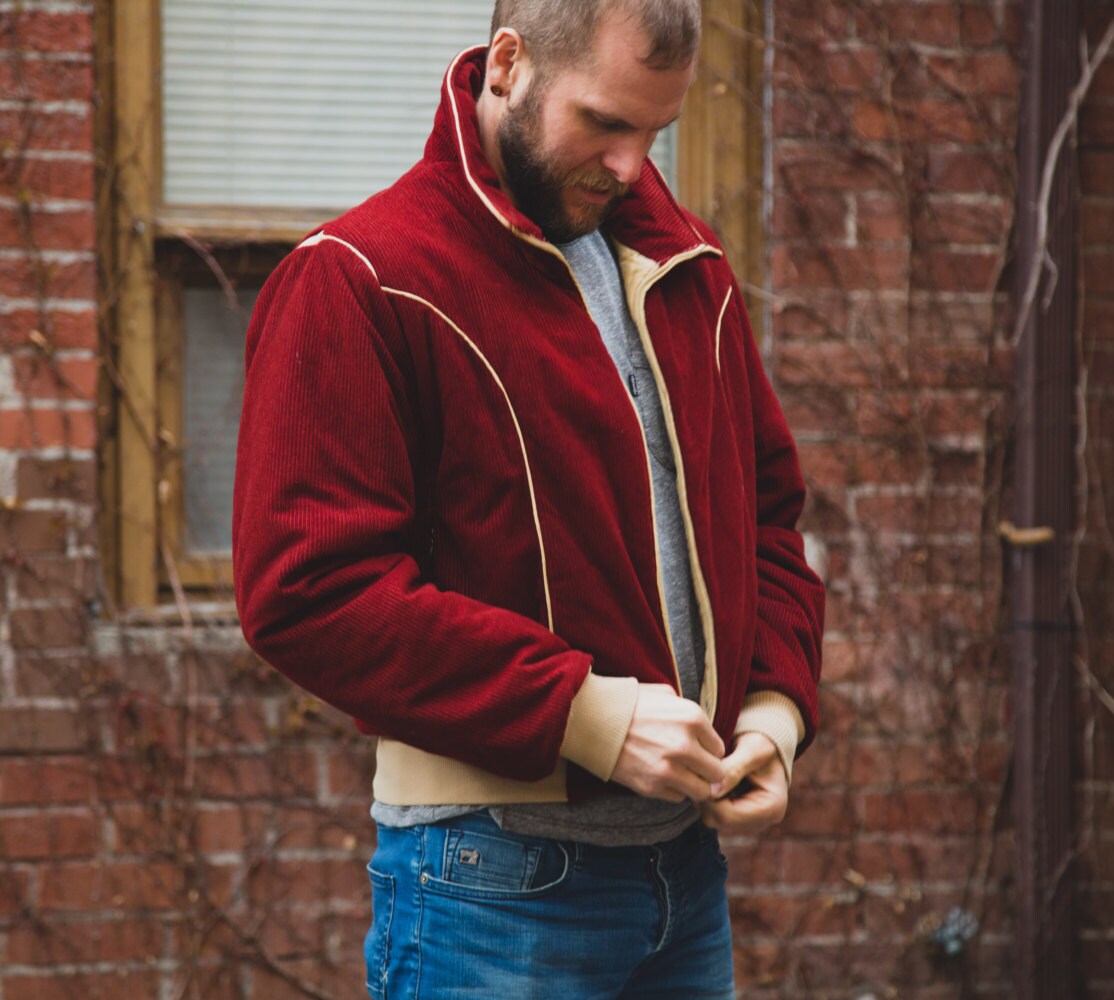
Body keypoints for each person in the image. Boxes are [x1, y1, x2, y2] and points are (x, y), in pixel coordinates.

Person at [231, 1, 825, 995]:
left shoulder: (689, 268)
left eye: (654, 131)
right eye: (603, 122)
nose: (632, 164)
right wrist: (585, 715)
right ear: (507, 64)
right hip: (487, 888)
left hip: (686, 880)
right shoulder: (360, 278)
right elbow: (309, 590)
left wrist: (771, 712)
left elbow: (769, 521)